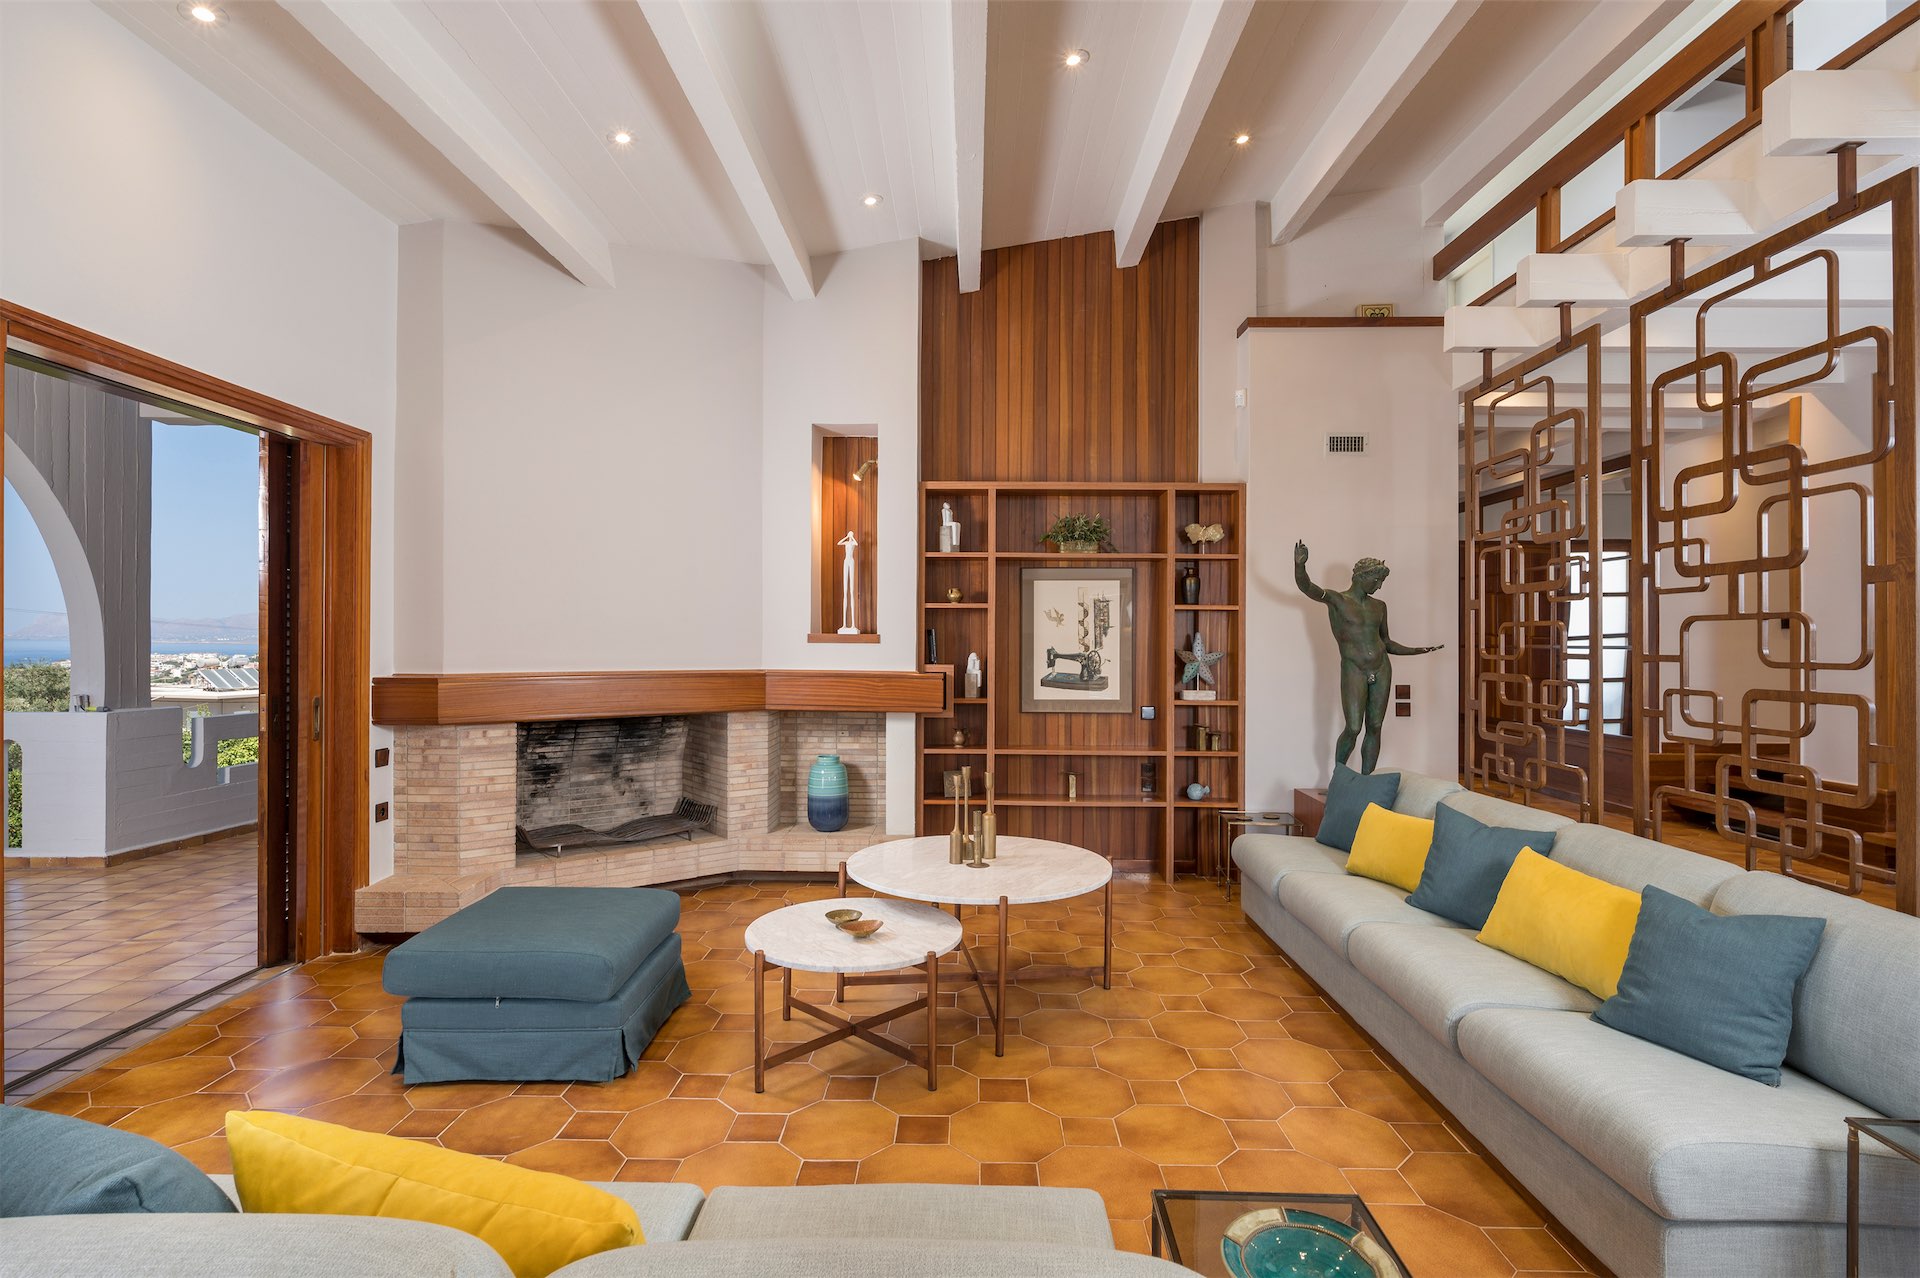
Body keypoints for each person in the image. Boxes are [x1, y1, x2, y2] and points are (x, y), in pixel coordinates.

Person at [1294, 541, 1443, 774]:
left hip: (1381, 667)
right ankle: (1339, 777)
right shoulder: (1337, 600)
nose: (1379, 585)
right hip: (1354, 668)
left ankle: (1366, 780)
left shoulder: (1379, 606)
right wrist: (1300, 566)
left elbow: (1386, 642)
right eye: (1376, 580)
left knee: (1375, 726)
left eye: (1382, 581)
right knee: (1353, 728)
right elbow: (1307, 588)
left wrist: (1416, 650)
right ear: (1361, 577)